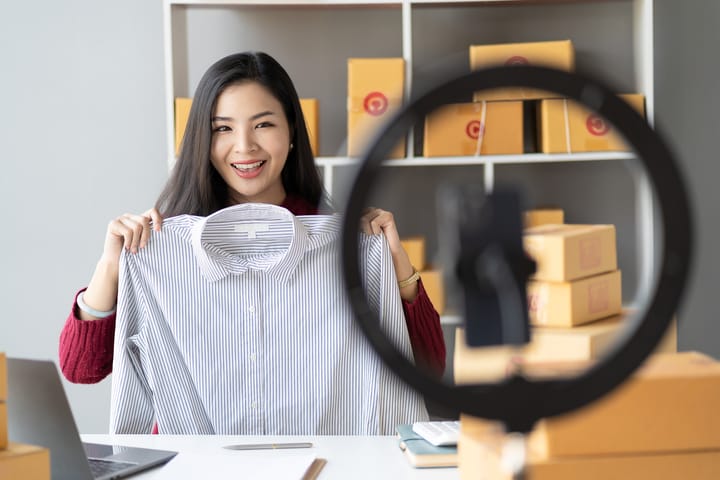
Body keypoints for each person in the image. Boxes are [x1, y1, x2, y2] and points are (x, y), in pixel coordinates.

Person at [59, 51, 445, 400]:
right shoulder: (160, 244)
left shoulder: (343, 243)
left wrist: (396, 265)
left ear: (292, 131)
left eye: (262, 125)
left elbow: (429, 365)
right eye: (222, 128)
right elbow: (80, 370)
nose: (244, 146)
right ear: (202, 140)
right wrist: (111, 266)